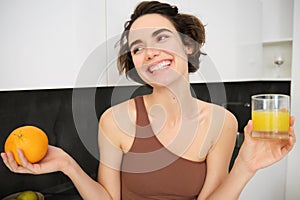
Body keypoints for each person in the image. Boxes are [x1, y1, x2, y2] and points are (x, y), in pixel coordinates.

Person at [1, 1, 296, 199]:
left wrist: (245, 166)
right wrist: (68, 164)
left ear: (189, 47)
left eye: (162, 38)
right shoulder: (116, 120)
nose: (149, 52)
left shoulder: (222, 123)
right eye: (138, 48)